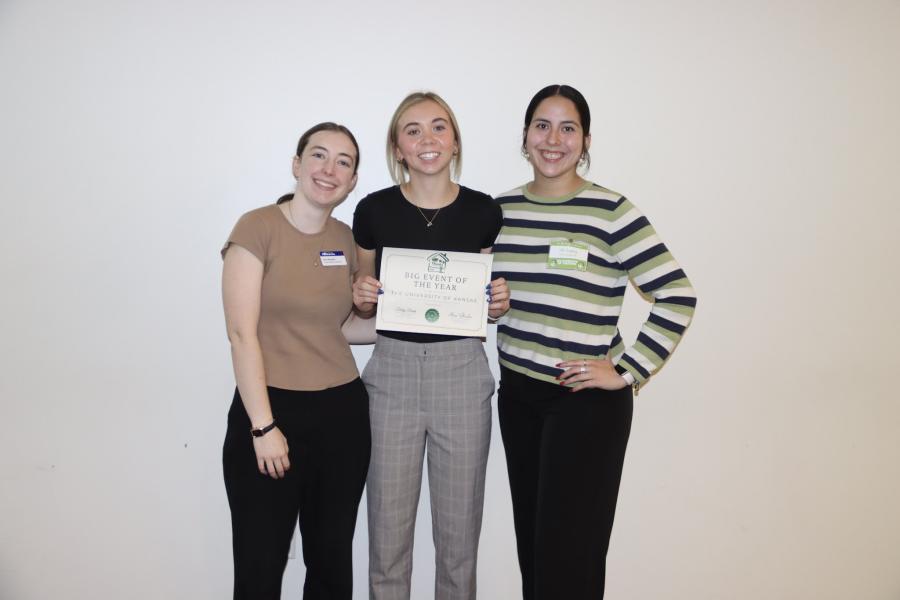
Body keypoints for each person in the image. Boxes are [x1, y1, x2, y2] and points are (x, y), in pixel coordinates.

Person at [491, 84, 698, 599]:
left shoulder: (610, 211)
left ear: (585, 140)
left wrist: (626, 370)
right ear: (525, 135)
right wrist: (488, 303)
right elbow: (483, 293)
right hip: (518, 397)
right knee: (533, 549)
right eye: (542, 125)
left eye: (568, 128)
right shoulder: (500, 212)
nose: (553, 139)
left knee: (571, 558)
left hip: (584, 405)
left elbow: (676, 294)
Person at [351, 91, 510, 600]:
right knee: (387, 537)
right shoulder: (372, 210)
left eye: (439, 127)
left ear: (455, 140)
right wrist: (362, 294)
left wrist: (496, 302)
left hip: (460, 372)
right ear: (398, 147)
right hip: (391, 373)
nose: (427, 140)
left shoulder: (485, 211)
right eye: (413, 130)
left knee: (459, 541)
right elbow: (362, 298)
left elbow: (482, 295)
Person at [221, 122, 373, 600]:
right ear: (296, 165)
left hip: (343, 416)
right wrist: (263, 428)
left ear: (351, 182)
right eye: (319, 156)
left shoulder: (347, 240)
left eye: (343, 162)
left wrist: (422, 319)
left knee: (330, 563)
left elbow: (341, 328)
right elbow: (242, 334)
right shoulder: (257, 227)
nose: (329, 169)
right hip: (271, 414)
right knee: (260, 565)